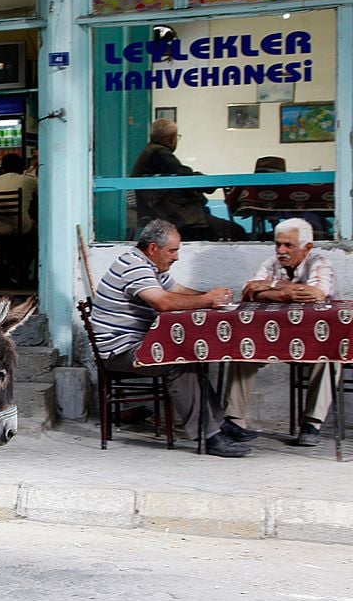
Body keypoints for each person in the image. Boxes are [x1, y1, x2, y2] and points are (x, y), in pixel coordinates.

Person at [89, 219, 252, 457]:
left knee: (194, 354)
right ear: (153, 248)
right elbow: (163, 302)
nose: (176, 257)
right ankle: (209, 436)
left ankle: (218, 423)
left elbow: (176, 291)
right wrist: (207, 301)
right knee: (178, 362)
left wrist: (210, 296)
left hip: (134, 344)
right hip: (119, 352)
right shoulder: (134, 266)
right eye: (173, 251)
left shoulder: (150, 266)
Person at [221, 218, 338, 447]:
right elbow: (249, 291)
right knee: (242, 350)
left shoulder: (320, 262)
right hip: (273, 335)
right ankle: (234, 420)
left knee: (330, 355)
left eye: (288, 245)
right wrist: (283, 291)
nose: (281, 251)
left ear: (307, 247)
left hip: (314, 337)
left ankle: (311, 424)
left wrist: (270, 287)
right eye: (278, 245)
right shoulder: (272, 262)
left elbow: (315, 293)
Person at [131, 119, 245, 242]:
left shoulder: (149, 152)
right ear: (171, 138)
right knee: (236, 232)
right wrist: (209, 184)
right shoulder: (159, 153)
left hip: (164, 216)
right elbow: (183, 174)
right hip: (178, 219)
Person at [0, 152, 38, 284]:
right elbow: (41, 194)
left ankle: (13, 267)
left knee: (12, 239)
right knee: (40, 234)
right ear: (22, 167)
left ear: (2, 168)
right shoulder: (30, 181)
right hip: (20, 228)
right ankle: (24, 269)